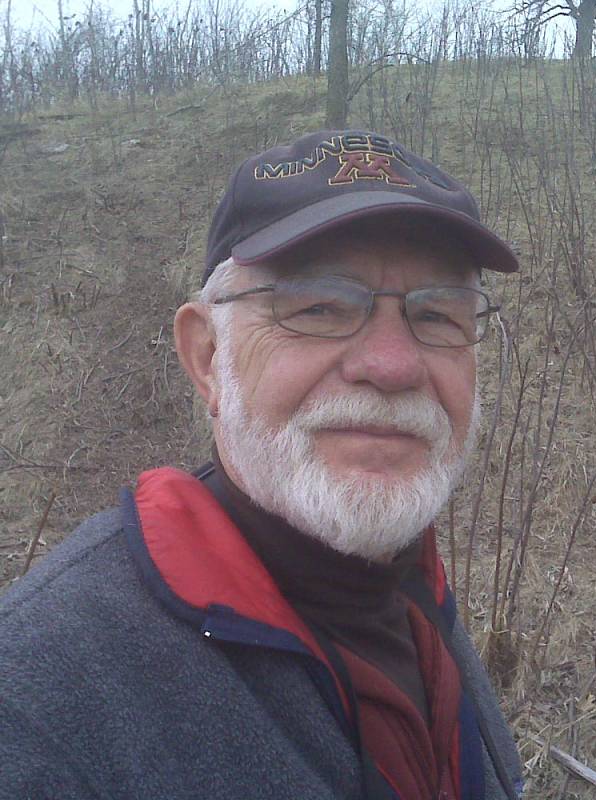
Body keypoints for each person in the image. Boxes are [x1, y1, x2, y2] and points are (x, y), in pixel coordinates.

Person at [0, 129, 523, 800]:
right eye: (320, 308)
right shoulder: (39, 703)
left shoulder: (413, 593)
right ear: (206, 358)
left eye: (439, 315)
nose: (393, 366)